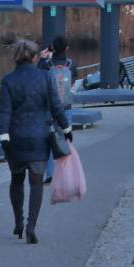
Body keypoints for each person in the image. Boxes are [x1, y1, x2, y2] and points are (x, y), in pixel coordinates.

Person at [0, 39, 70, 245]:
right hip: (39, 137)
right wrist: (66, 128)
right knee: (36, 182)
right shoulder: (44, 77)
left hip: (16, 138)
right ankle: (31, 227)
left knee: (16, 179)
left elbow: (4, 111)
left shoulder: (8, 80)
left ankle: (18, 222)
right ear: (35, 57)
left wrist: (3, 135)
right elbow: (56, 105)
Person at [38, 36, 79, 184]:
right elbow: (73, 83)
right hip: (66, 108)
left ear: (52, 48)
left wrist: (42, 58)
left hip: (48, 109)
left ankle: (50, 175)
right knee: (65, 141)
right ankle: (65, 175)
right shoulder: (72, 64)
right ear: (67, 48)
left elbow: (38, 79)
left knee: (49, 141)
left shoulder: (45, 64)